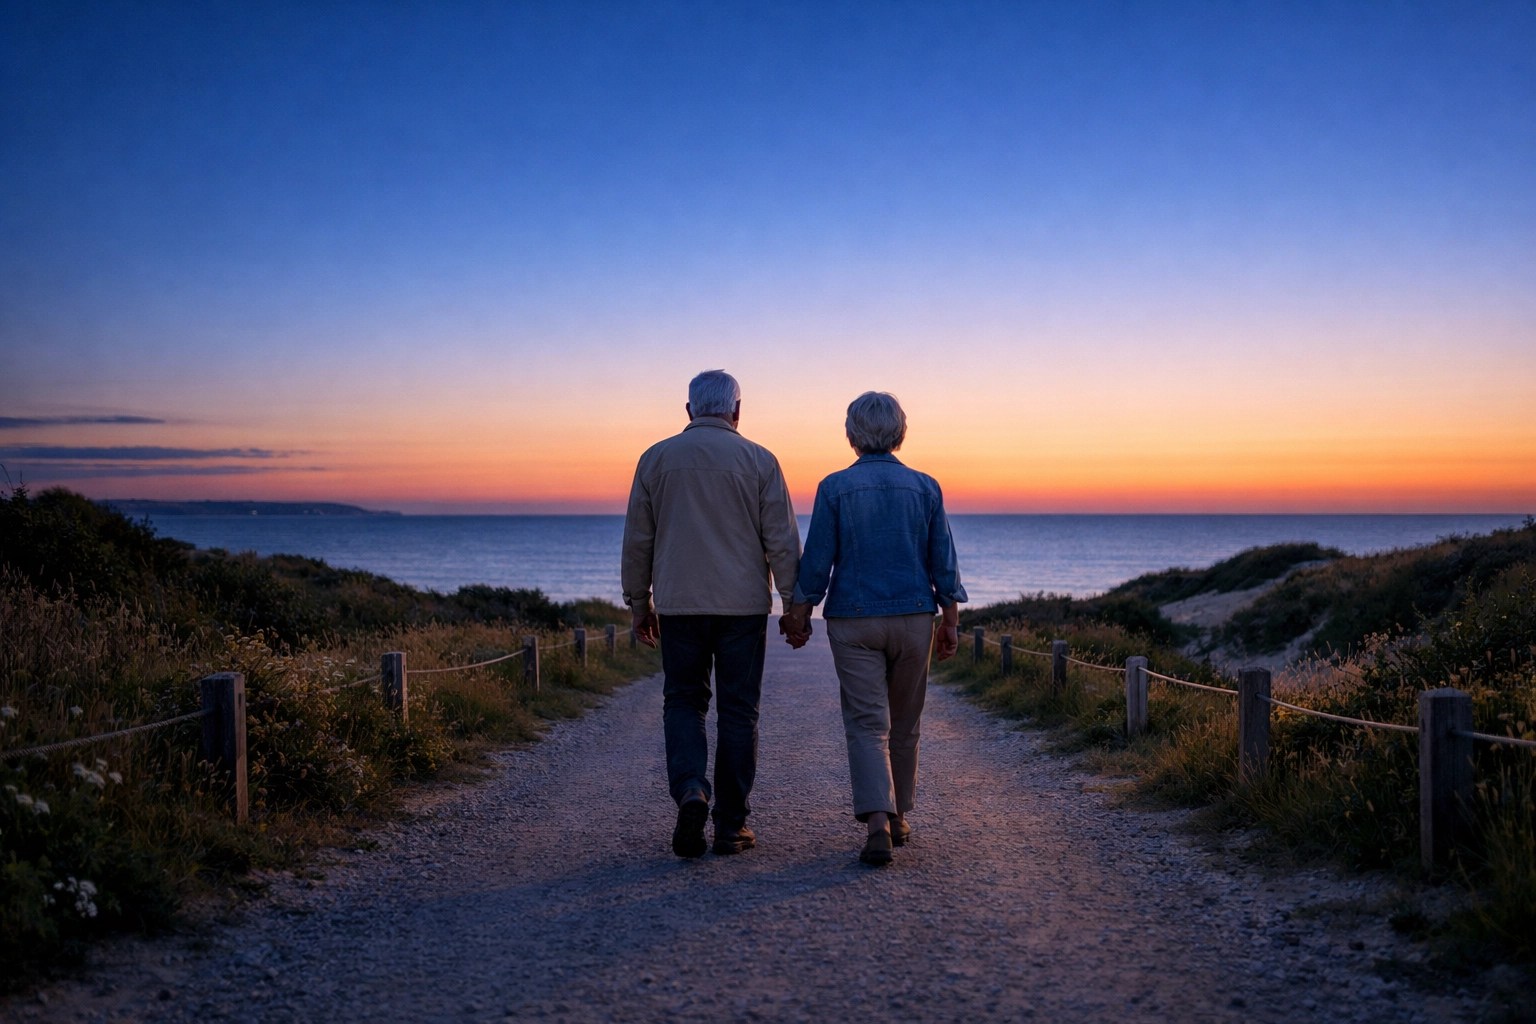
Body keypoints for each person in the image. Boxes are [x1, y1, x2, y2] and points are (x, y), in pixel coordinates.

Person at [621, 369, 804, 858]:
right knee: (739, 711)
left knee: (683, 702)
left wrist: (640, 603)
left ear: (688, 411)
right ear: (737, 411)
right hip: (743, 607)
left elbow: (639, 540)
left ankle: (691, 791)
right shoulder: (760, 461)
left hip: (680, 604)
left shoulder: (655, 459)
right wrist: (794, 608)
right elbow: (782, 542)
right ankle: (730, 825)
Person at [782, 391, 965, 866]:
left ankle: (878, 823)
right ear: (900, 431)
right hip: (912, 618)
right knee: (905, 722)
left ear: (852, 433)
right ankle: (900, 815)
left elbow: (818, 559)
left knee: (868, 724)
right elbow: (942, 560)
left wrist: (800, 611)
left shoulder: (835, 488)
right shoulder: (925, 487)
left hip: (854, 619)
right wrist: (951, 619)